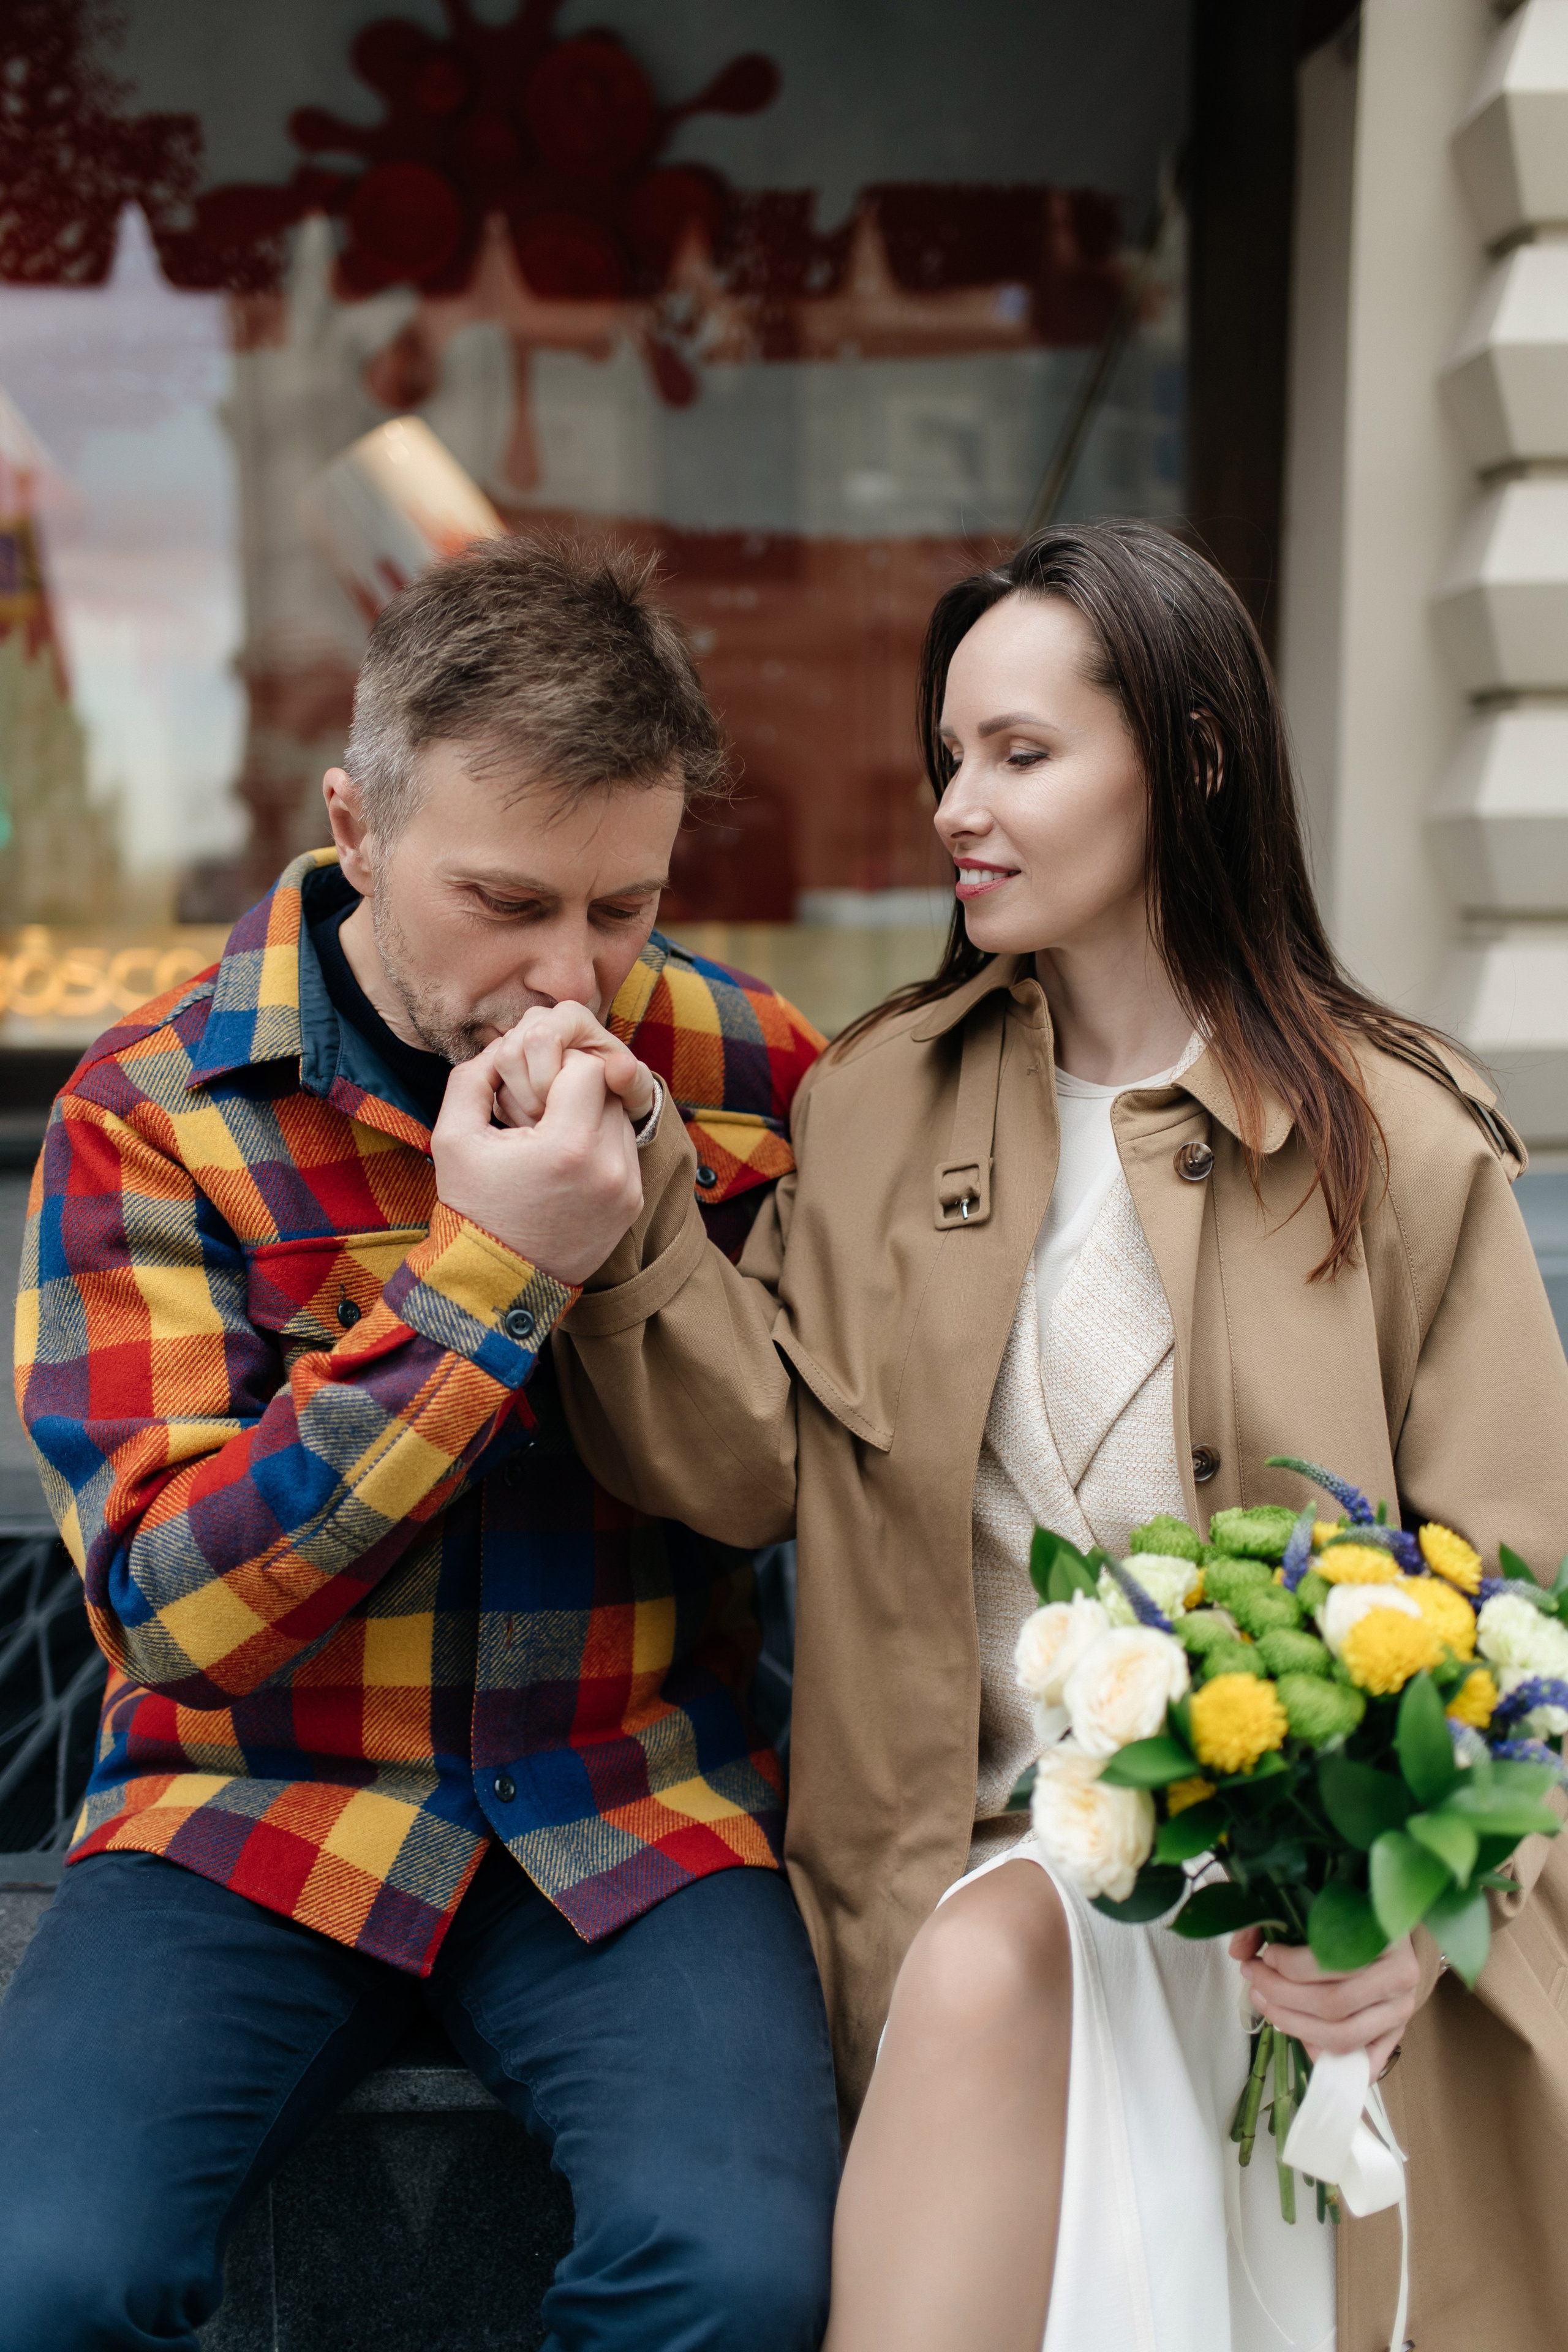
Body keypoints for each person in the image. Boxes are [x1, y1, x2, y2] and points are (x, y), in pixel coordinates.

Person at [541, 521, 1568, 2352]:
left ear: (1191, 758)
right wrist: (621, 1225)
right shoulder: (874, 1106)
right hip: (984, 1883)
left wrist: (1413, 1901)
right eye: (951, 756)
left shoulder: (1396, 1140)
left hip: (1324, 1937)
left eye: (1020, 753)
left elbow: (1523, 1604)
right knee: (997, 1948)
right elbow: (743, 1463)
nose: (959, 804)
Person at [2, 537, 839, 2352]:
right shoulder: (153, 1109)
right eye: (508, 899)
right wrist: (491, 1280)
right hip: (247, 1807)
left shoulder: (757, 1068)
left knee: (739, 2281)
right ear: (356, 828)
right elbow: (169, 1613)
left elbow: (814, 1469)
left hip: (636, 1800)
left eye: (623, 910)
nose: (571, 978)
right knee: (39, 2282)